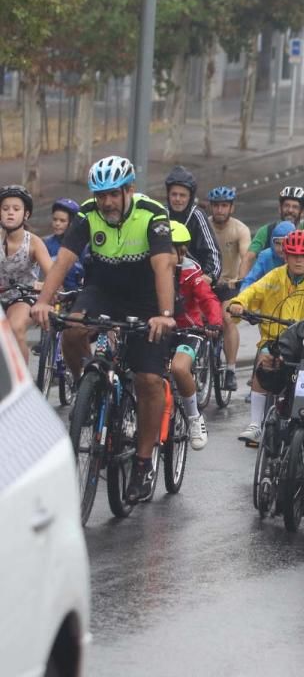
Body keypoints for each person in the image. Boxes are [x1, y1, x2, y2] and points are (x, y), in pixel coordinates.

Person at [32, 157, 177, 504]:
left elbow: (163, 269)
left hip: (147, 298)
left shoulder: (152, 215)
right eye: (101, 196)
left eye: (113, 194)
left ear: (129, 190)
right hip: (103, 289)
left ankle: (143, 462)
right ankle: (90, 385)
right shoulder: (87, 213)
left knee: (148, 380)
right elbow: (63, 261)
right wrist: (44, 302)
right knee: (71, 331)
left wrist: (165, 314)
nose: (107, 203)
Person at [228, 229, 304, 446]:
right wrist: (239, 304)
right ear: (285, 256)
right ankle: (255, 425)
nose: (298, 260)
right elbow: (253, 291)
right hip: (275, 341)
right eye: (294, 255)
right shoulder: (274, 277)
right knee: (264, 364)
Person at [166, 221, 222, 451]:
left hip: (188, 331)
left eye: (178, 249)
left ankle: (194, 418)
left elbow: (208, 299)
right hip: (158, 330)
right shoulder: (149, 269)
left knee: (179, 369)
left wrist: (215, 322)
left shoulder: (191, 271)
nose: (175, 255)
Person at [0, 185, 54, 362]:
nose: (10, 213)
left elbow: (53, 275)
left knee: (15, 328)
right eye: (5, 208)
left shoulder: (34, 243)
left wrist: (44, 286)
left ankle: (21, 384)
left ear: (26, 214)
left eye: (16, 209)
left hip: (23, 297)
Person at [206, 186, 251, 392]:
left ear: (231, 208)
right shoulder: (204, 226)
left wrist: (241, 279)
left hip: (229, 285)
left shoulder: (240, 229)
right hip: (206, 283)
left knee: (227, 320)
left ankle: (231, 370)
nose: (220, 210)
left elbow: (245, 255)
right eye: (216, 205)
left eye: (224, 205)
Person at [164, 166, 222, 282]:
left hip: (194, 278)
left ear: (190, 197)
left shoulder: (197, 215)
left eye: (182, 195)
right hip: (166, 276)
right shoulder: (161, 214)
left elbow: (213, 252)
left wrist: (210, 276)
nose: (177, 199)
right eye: (174, 194)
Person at [243, 186, 304, 276]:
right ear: (280, 209)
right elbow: (248, 258)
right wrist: (241, 284)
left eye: (295, 207)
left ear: (302, 212)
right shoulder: (266, 231)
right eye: (286, 206)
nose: (290, 210)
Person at [41, 198, 87, 291]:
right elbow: (40, 273)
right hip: (52, 293)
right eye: (55, 219)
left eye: (62, 221)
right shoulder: (45, 244)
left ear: (72, 223)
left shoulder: (82, 246)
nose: (57, 224)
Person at [242, 221, 296, 288]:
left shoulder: (300, 257)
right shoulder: (265, 256)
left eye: (285, 243)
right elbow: (250, 279)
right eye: (277, 243)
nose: (281, 249)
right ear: (272, 242)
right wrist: (242, 296)